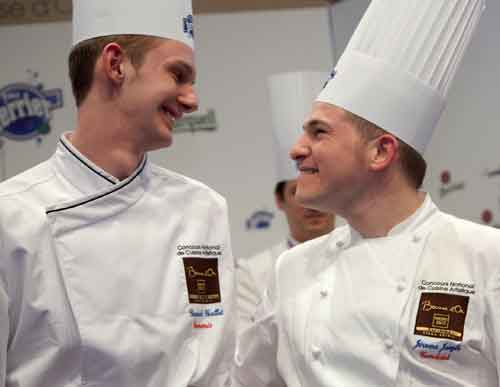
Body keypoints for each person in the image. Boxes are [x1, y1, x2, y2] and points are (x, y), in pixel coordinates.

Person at [233, 0, 500, 386]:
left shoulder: (484, 258)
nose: (296, 148)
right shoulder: (292, 270)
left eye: (318, 132)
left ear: (380, 152)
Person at [0, 1, 234, 386]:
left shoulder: (203, 209)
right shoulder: (12, 217)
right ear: (115, 65)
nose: (191, 99)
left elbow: (219, 370)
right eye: (178, 75)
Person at [237, 72, 335, 333]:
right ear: (279, 200)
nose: (312, 203)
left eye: (320, 187)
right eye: (297, 191)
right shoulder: (253, 274)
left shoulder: (365, 256)